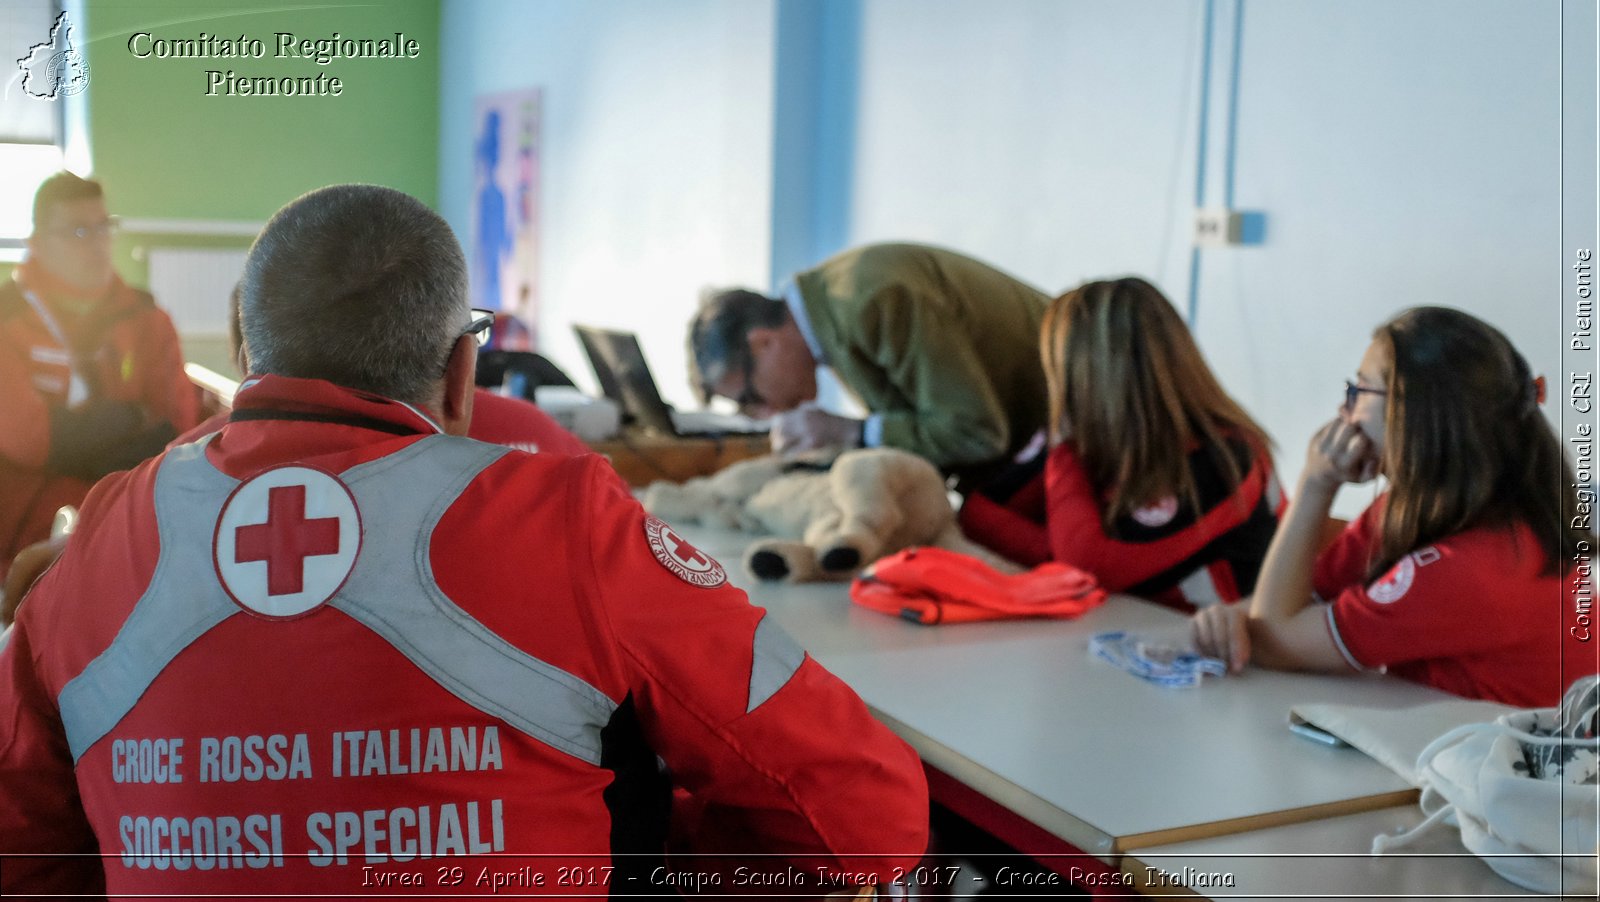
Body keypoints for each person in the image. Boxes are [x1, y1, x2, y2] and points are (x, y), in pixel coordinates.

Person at [0, 184, 928, 896]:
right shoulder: (564, 519)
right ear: (461, 370)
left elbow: (22, 856)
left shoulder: (100, 542)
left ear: (246, 358)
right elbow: (866, 815)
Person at [1192, 306, 1596, 707]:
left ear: (1412, 413)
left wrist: (1316, 484)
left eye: (1358, 391)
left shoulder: (1469, 568)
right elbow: (1301, 602)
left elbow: (1275, 642)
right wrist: (1236, 618)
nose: (1343, 412)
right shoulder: (1424, 507)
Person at [960, 277, 1284, 611]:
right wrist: (1059, 547)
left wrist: (1065, 457)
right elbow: (978, 513)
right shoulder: (1093, 440)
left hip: (1225, 652)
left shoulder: (1226, 457)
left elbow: (1087, 567)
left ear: (1087, 380)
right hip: (1125, 638)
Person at [689, 242, 1049, 480]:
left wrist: (853, 432)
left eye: (750, 399)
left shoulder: (868, 301)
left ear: (762, 344)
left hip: (1088, 423)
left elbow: (977, 433)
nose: (767, 413)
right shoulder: (832, 311)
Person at [0, 172, 198, 577]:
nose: (96, 242)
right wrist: (128, 420)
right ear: (36, 242)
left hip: (128, 526)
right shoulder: (7, 320)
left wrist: (76, 438)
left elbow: (174, 429)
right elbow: (29, 440)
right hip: (23, 541)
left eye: (103, 227)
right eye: (77, 230)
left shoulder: (147, 320)